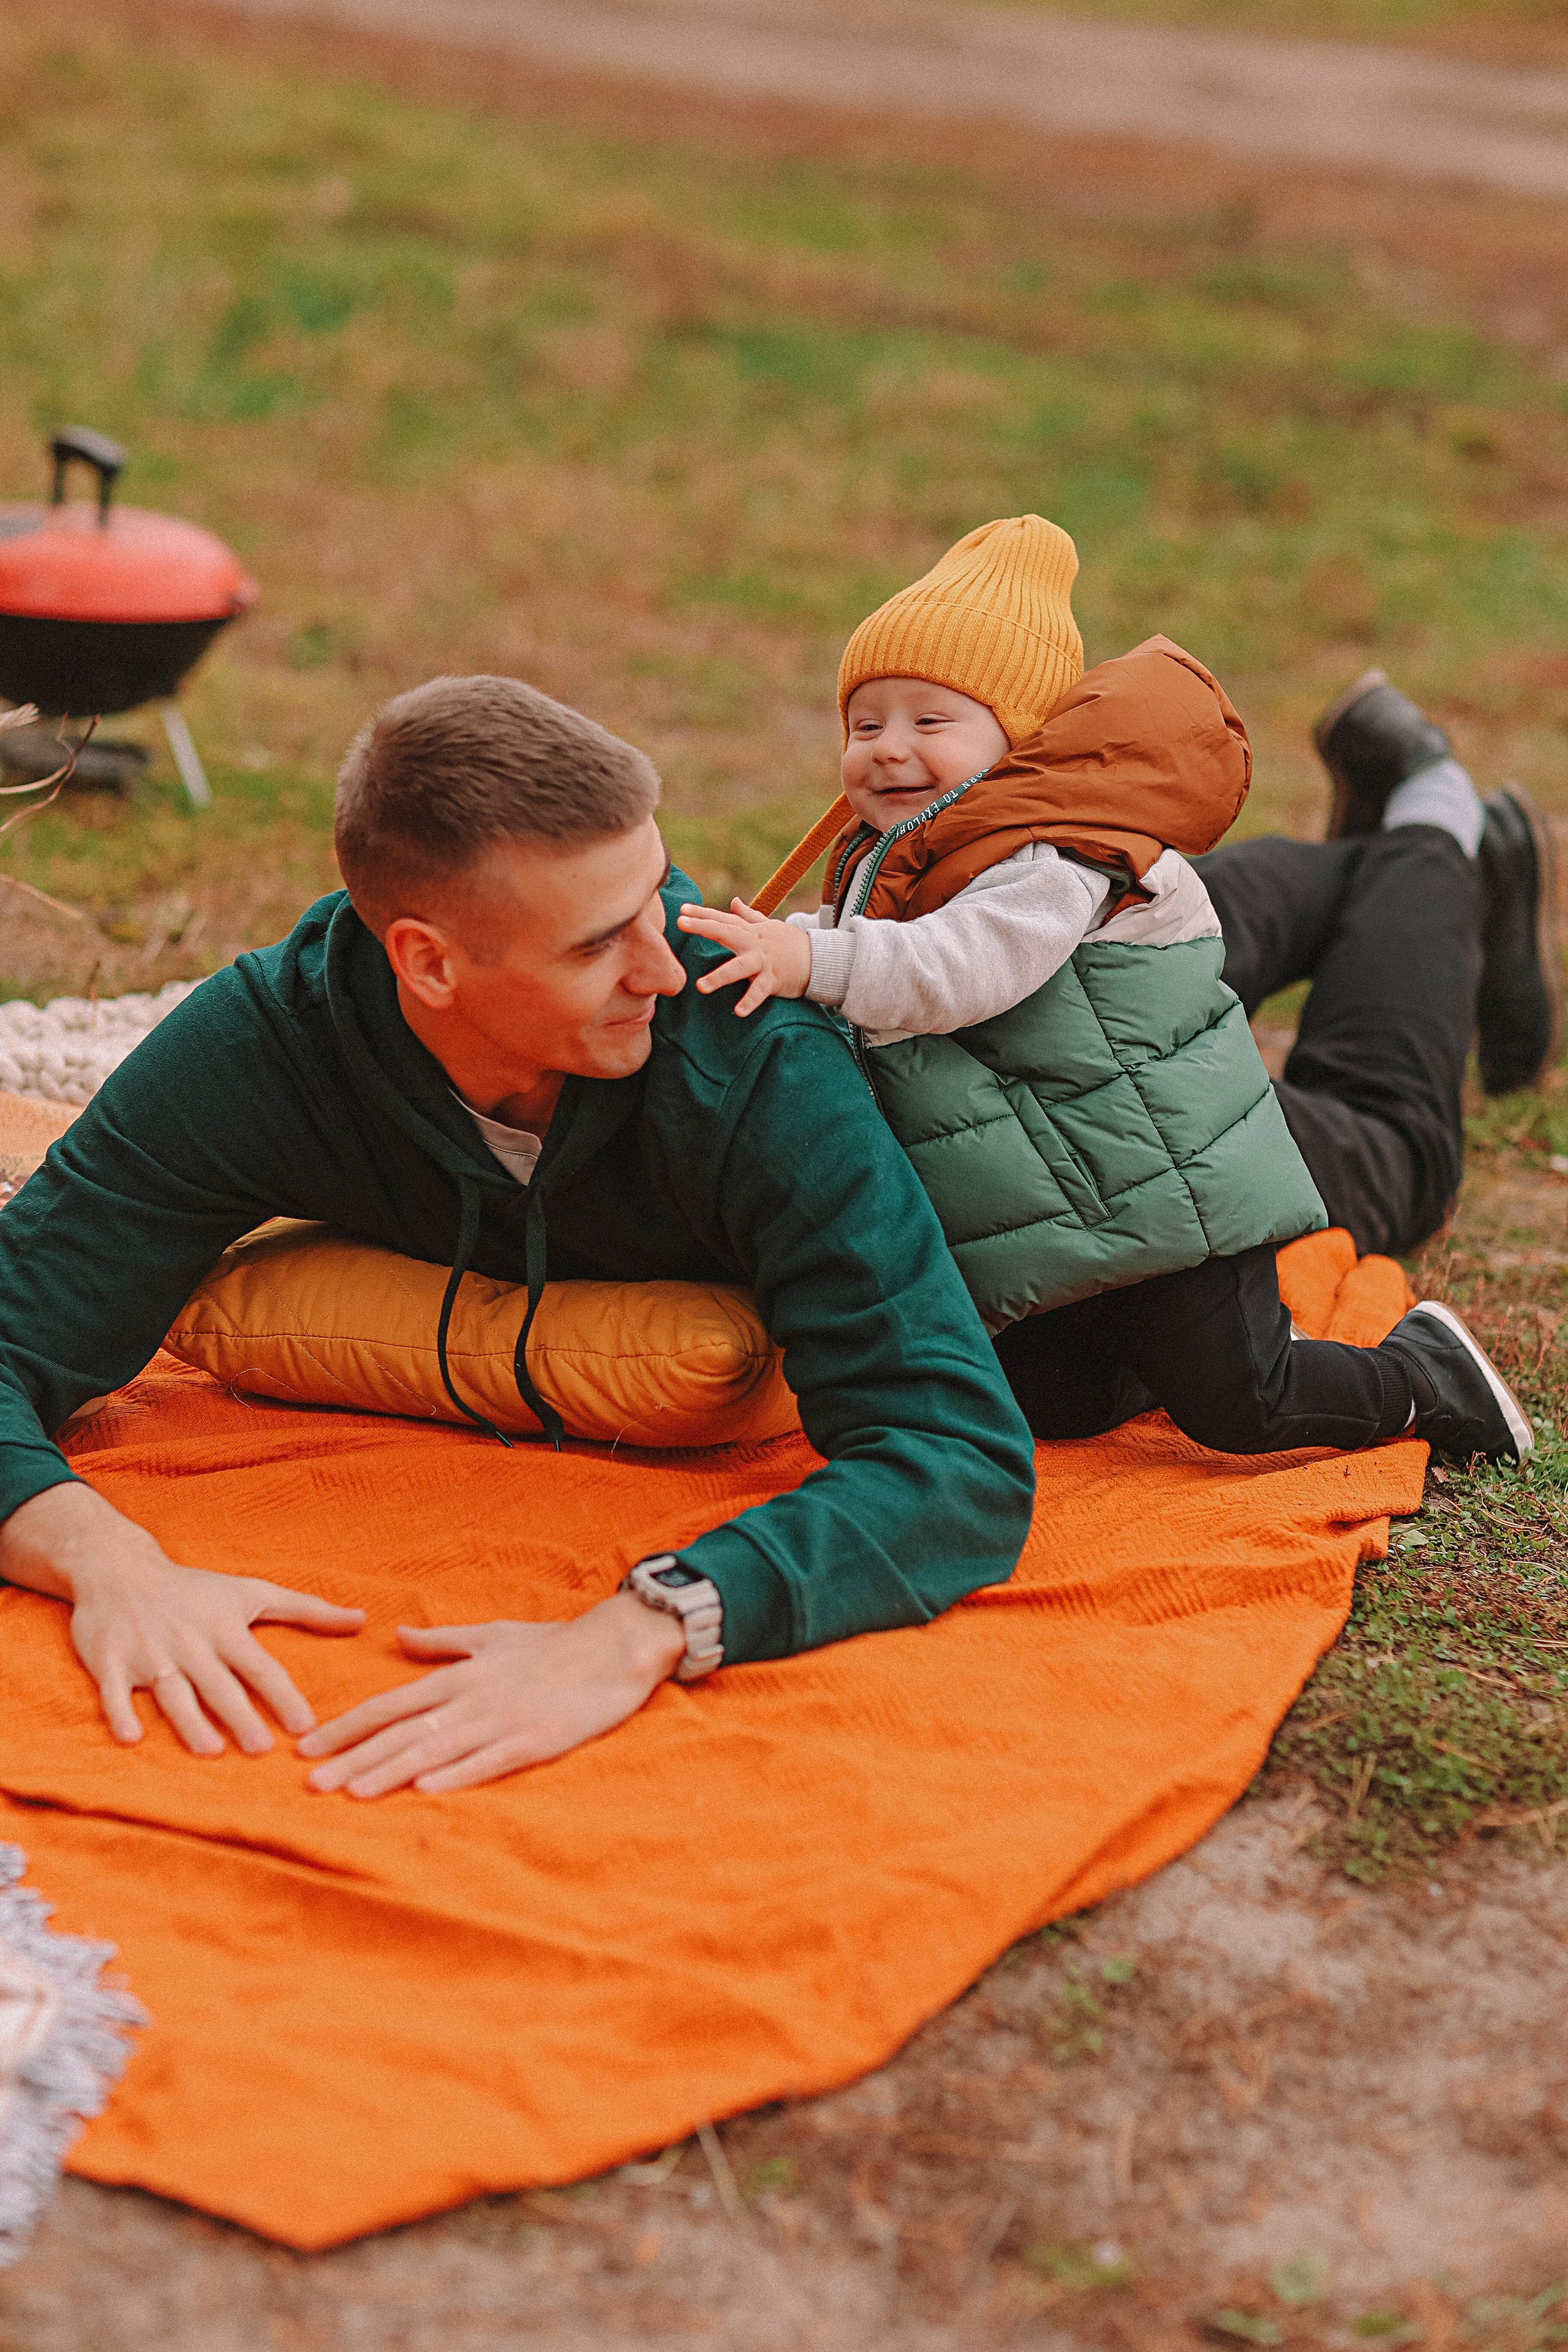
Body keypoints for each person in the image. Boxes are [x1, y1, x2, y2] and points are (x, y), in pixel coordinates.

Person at [0, 677, 1037, 1795]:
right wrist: (109, 1563)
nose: (662, 964)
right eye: (598, 945)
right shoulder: (267, 1046)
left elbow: (953, 1453)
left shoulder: (749, 1058)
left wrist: (647, 1626)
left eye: (658, 894)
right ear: (429, 964)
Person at [679, 517, 1536, 1466]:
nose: (885, 748)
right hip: (1068, 1195)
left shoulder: (1051, 855)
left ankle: (1426, 1376)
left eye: (930, 721)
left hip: (1166, 1193)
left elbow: (963, 967)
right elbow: (872, 966)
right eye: (864, 722)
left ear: (1020, 743)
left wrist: (814, 962)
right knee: (1061, 1400)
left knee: (1243, 1403)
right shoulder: (907, 852)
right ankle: (1426, 833)